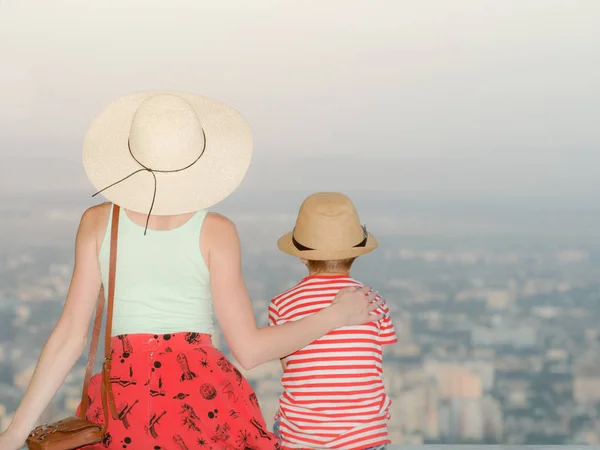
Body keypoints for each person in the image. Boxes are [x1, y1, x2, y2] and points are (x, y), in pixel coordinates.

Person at [0, 92, 384, 450]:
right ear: (197, 159)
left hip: (126, 402)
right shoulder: (217, 231)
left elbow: (70, 337)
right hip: (204, 399)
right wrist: (336, 315)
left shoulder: (98, 223)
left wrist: (14, 433)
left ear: (133, 154)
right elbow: (249, 351)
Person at [268, 192, 398, 450]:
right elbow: (371, 360)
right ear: (356, 253)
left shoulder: (281, 305)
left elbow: (289, 364)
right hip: (366, 436)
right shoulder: (372, 300)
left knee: (278, 426)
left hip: (303, 438)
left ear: (301, 255)